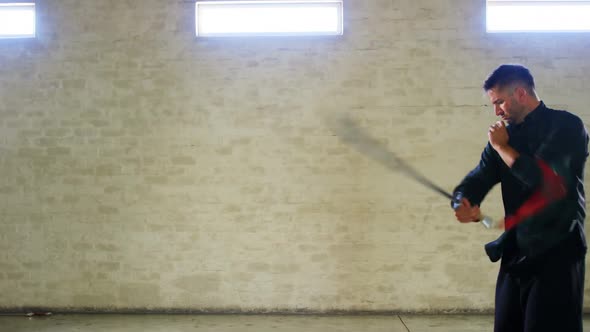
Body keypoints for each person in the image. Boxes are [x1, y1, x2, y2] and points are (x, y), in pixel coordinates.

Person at [452, 64, 588, 332]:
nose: (496, 111)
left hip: (558, 250)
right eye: (493, 104)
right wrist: (463, 201)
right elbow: (478, 178)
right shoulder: (504, 136)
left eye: (500, 101)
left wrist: (502, 147)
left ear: (521, 93)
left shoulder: (567, 126)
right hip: (516, 252)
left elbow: (548, 183)